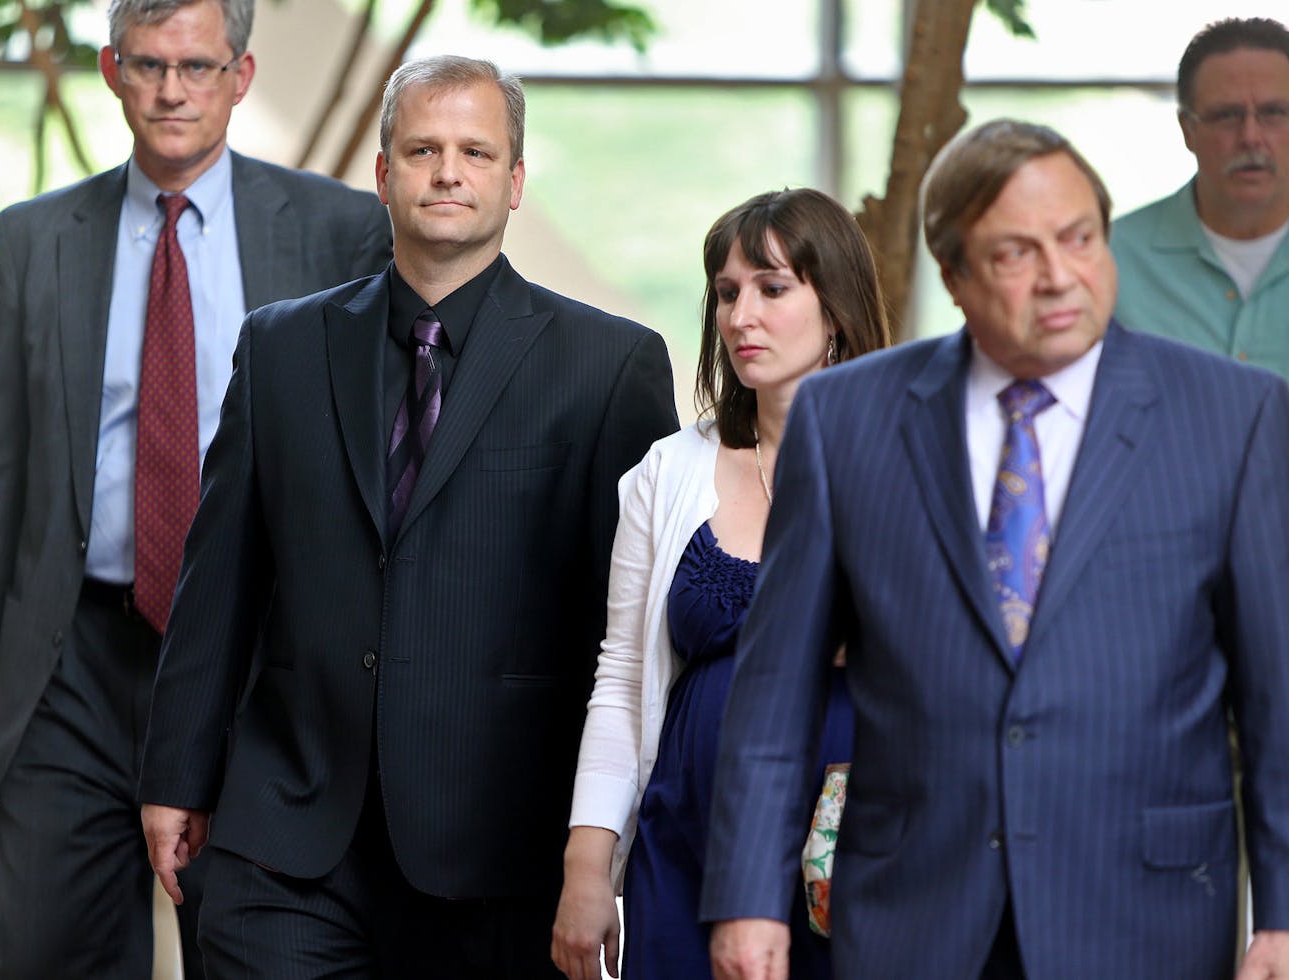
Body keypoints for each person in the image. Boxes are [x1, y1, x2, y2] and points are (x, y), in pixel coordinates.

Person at [701, 118, 1289, 980]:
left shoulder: (1233, 416)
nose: (1060, 277)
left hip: (1145, 912)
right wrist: (749, 900)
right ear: (955, 275)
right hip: (915, 910)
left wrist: (1281, 915)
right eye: (1016, 253)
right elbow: (775, 690)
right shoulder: (847, 418)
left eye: (1080, 238)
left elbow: (1278, 693)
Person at [136, 54, 678, 978]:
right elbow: (219, 576)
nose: (447, 171)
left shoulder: (608, 366)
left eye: (475, 151)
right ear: (384, 176)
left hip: (497, 847)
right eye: (422, 149)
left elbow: (624, 634)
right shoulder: (282, 348)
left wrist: (607, 848)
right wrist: (176, 778)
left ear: (514, 182)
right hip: (288, 836)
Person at [0, 0, 393, 971]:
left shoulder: (334, 229)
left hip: (255, 647)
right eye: (148, 65)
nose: (172, 90)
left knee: (247, 936)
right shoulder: (38, 235)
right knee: (48, 940)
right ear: (109, 70)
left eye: (197, 67)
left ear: (241, 76)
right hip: (74, 653)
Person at [551, 188, 890, 980]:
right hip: (684, 842)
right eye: (728, 292)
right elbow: (623, 677)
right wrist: (585, 869)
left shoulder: (911, 459)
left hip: (857, 840)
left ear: (834, 305)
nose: (742, 317)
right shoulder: (669, 472)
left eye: (773, 289)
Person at [1112, 17, 1289, 379]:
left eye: (1274, 113)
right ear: (1187, 129)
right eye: (1226, 116)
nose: (1251, 137)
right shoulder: (1107, 259)